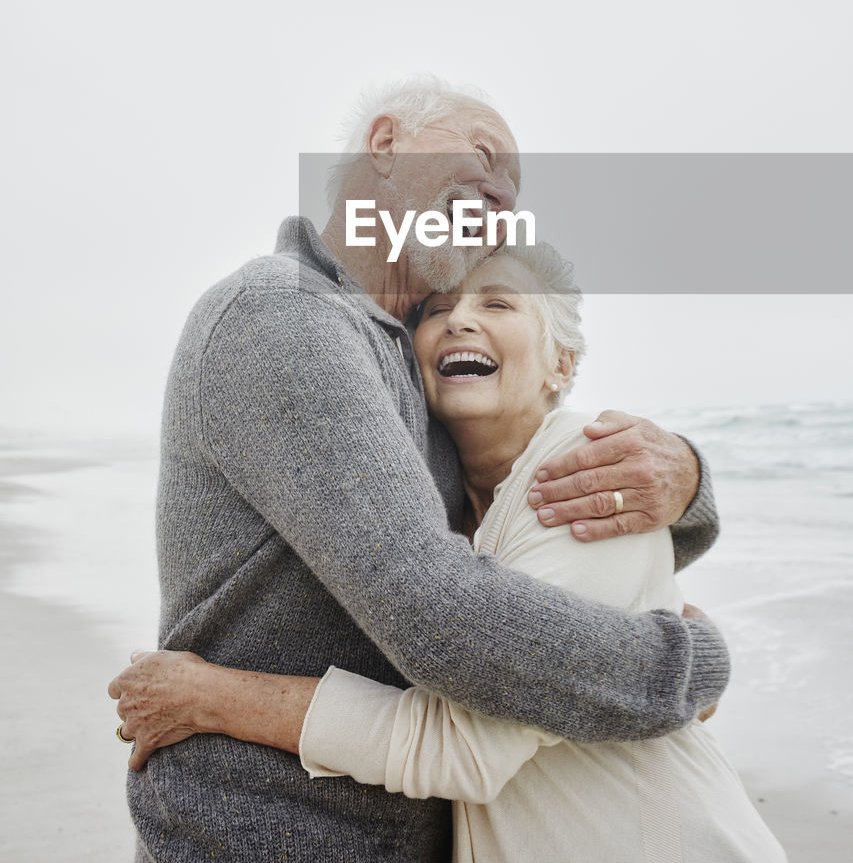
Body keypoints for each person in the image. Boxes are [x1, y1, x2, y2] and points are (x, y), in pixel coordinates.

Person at [116, 78, 729, 862]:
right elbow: (440, 615)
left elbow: (533, 530)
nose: (503, 193)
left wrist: (686, 483)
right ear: (385, 144)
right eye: (484, 154)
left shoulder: (410, 358)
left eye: (514, 188)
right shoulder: (286, 315)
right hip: (267, 832)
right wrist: (684, 671)